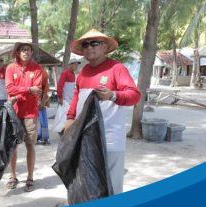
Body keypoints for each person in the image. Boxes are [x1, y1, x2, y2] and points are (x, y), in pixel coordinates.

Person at [64, 29, 141, 194]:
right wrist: (69, 120)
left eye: (94, 43)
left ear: (105, 47)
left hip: (110, 137)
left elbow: (135, 95)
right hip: (85, 136)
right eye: (85, 44)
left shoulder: (117, 68)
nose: (89, 47)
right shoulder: (83, 72)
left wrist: (113, 95)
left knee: (112, 183)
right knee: (88, 182)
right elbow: (76, 99)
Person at [5, 42, 44, 192]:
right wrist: (28, 89)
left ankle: (30, 177)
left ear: (31, 53)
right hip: (13, 113)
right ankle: (13, 176)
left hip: (30, 113)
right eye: (22, 50)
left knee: (30, 146)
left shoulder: (37, 69)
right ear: (17, 53)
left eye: (28, 50)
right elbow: (9, 88)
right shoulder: (10, 68)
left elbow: (37, 90)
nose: (26, 52)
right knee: (13, 147)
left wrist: (19, 92)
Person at [53, 58, 80, 134]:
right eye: (75, 64)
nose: (76, 66)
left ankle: (66, 130)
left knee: (67, 116)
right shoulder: (65, 73)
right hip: (65, 99)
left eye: (77, 65)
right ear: (70, 65)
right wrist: (60, 97)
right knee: (62, 116)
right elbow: (60, 86)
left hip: (70, 99)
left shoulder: (73, 75)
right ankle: (62, 131)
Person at [36, 69, 50, 145]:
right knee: (38, 121)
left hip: (41, 102)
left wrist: (42, 102)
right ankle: (39, 137)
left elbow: (45, 90)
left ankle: (45, 138)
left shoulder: (43, 72)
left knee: (42, 121)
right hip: (35, 102)